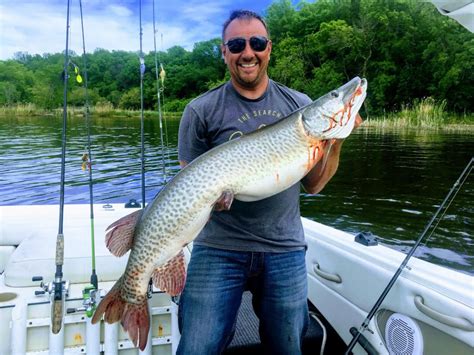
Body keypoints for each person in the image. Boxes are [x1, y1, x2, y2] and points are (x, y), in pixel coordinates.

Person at [177, 9, 360, 354]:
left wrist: (337, 139)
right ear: (224, 51)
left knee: (288, 348)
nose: (248, 52)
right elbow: (190, 187)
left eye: (257, 42)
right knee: (196, 347)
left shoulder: (300, 106)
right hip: (219, 247)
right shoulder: (200, 110)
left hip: (284, 247)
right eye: (237, 44)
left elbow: (315, 185)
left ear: (269, 48)